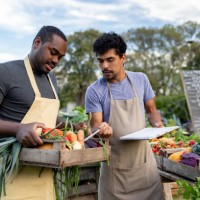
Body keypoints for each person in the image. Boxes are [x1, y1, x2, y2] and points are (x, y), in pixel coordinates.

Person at [85, 32, 165, 200]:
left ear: (123, 57)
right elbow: (95, 125)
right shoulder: (95, 90)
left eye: (110, 59)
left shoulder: (141, 80)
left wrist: (158, 127)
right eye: (100, 61)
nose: (104, 66)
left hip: (145, 169)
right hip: (115, 175)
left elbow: (151, 111)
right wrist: (101, 130)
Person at [0, 25, 68, 200]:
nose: (56, 61)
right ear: (37, 43)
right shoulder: (6, 72)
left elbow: (49, 120)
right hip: (9, 178)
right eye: (53, 52)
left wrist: (73, 126)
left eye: (60, 57)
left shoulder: (52, 79)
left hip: (44, 179)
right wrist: (18, 129)